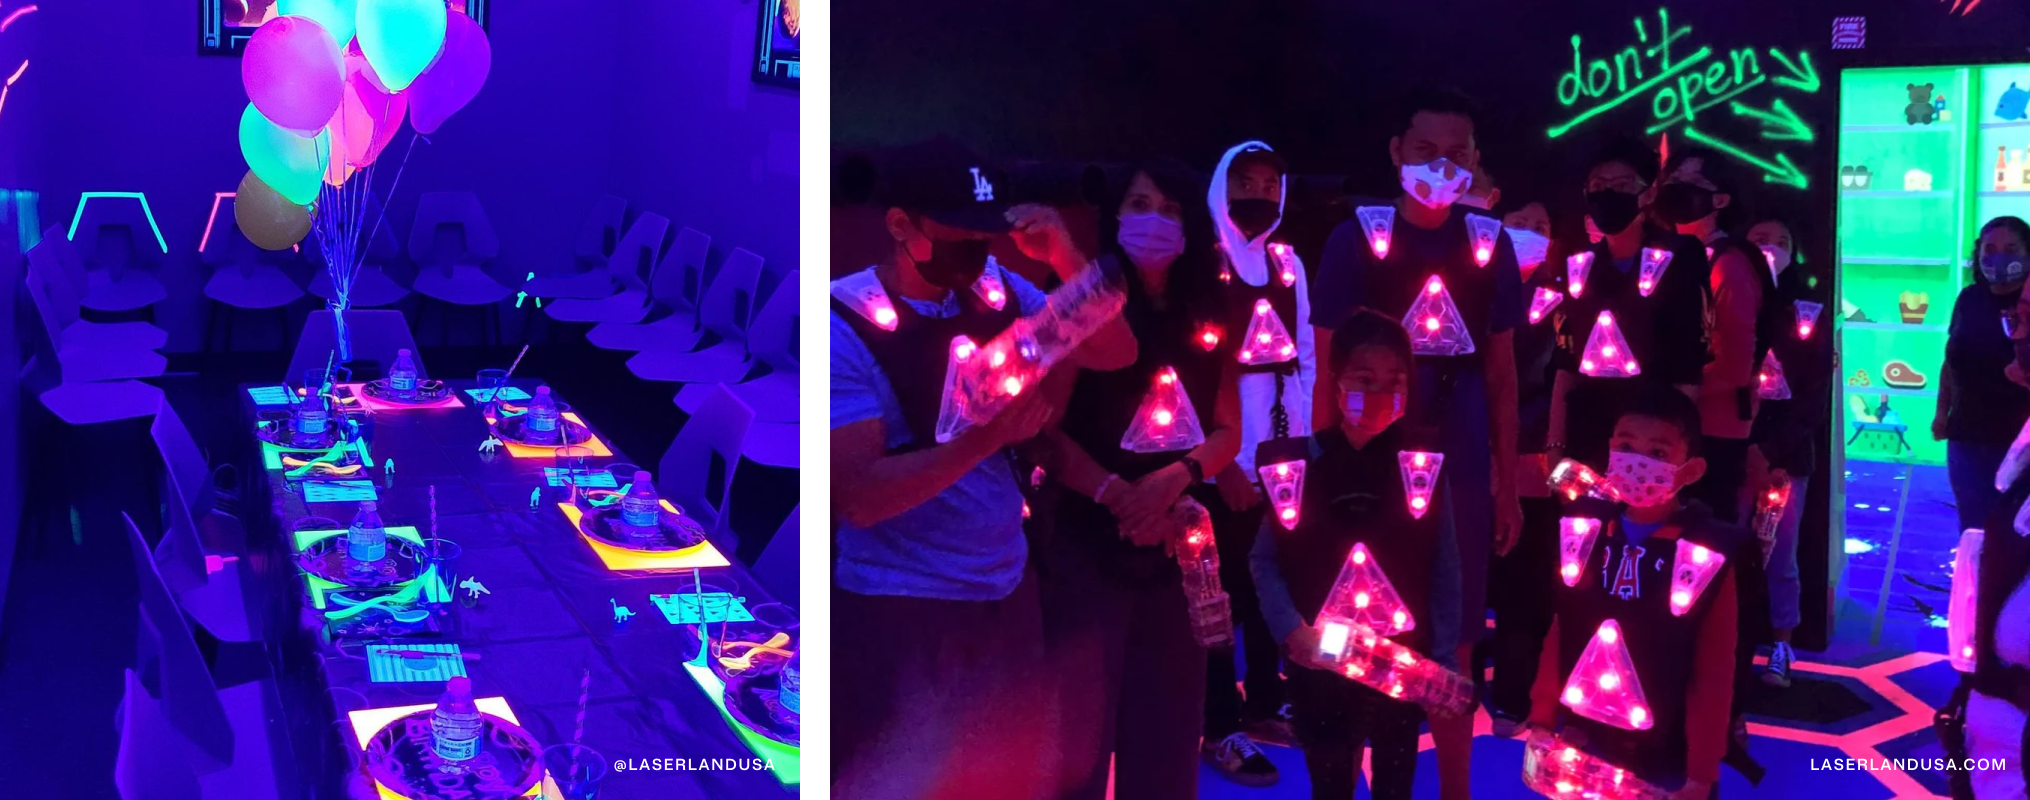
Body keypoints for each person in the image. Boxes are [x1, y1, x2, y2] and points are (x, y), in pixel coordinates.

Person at [828, 137, 1136, 800]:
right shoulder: (843, 323)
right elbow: (858, 498)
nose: (976, 247)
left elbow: (1115, 350)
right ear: (901, 226)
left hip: (1004, 590)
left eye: (984, 232)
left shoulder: (998, 289)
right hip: (899, 604)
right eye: (958, 231)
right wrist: (983, 438)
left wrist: (1065, 260)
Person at [1307, 91, 1522, 793]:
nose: (1441, 166)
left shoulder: (1490, 245)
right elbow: (1326, 361)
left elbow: (1501, 374)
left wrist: (1507, 480)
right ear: (1396, 151)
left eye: (1457, 155)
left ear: (1476, 161)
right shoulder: (1354, 240)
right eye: (1425, 150)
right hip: (1366, 454)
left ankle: (1454, 789)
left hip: (1458, 457)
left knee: (1455, 628)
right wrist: (1319, 466)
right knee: (1363, 622)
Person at [1036, 159, 1261, 797]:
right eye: (1138, 205)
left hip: (1173, 547)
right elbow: (1042, 431)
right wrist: (1116, 495)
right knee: (1076, 738)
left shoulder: (1212, 307)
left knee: (1166, 738)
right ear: (1114, 218)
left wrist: (1173, 482)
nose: (1152, 221)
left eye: (1168, 208)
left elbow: (1226, 430)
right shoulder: (1082, 303)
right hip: (1083, 540)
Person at [1249, 309, 1462, 800]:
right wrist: (1290, 630)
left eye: (1396, 381)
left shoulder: (1422, 467)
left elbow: (1445, 565)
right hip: (1320, 664)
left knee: (1394, 781)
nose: (1382, 393)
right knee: (1328, 779)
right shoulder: (1296, 466)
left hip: (1402, 662)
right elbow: (1264, 559)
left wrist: (1444, 658)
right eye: (1365, 379)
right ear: (1337, 380)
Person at [1527, 387, 1741, 800]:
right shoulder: (1585, 531)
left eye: (1658, 454)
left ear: (1691, 470)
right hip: (1583, 734)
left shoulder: (1703, 552)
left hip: (1663, 754)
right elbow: (1562, 628)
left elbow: (1714, 668)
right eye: (1626, 446)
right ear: (1609, 451)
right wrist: (1541, 718)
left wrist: (1700, 772)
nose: (1638, 463)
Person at [1202, 139, 1315, 752]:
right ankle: (1219, 720)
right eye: (1245, 181)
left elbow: (1309, 362)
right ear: (1223, 184)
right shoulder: (1205, 266)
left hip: (1283, 463)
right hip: (1225, 465)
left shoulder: (1289, 266)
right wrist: (1222, 469)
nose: (1259, 194)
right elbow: (1190, 378)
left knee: (1273, 583)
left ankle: (1269, 703)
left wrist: (1304, 453)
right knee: (1217, 595)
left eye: (1270, 184)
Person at [1546, 136, 1709, 471]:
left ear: (1648, 192)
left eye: (1621, 185)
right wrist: (1555, 445)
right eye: (1598, 185)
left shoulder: (1680, 255)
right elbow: (1565, 362)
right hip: (1588, 434)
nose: (1608, 194)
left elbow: (1690, 361)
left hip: (1651, 437)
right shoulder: (1578, 263)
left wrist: (1675, 450)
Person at [1653, 148, 1775, 524]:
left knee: (1703, 536)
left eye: (1691, 185)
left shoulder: (1728, 264)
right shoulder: (1675, 256)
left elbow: (1735, 364)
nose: (1676, 191)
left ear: (1720, 200)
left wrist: (1670, 396)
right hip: (1678, 427)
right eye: (1671, 183)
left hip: (1713, 432)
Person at [1742, 217, 1830, 688]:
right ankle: (1730, 640)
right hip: (1732, 449)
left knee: (1781, 556)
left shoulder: (1806, 313)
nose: (1770, 249)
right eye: (1760, 240)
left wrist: (1772, 452)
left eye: (1781, 241)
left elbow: (1813, 397)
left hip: (1788, 458)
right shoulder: (1732, 298)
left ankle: (1781, 644)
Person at [1487, 197, 1563, 737]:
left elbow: (1558, 380)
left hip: (1531, 464)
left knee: (1524, 586)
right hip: (1470, 459)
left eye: (1540, 227)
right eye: (1519, 224)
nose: (1530, 234)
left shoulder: (1561, 302)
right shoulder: (1475, 287)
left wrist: (1511, 428)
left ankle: (1513, 695)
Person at [1937, 215, 2030, 532]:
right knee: (1974, 529)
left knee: (2015, 535)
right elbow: (1951, 359)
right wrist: (1941, 412)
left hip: (2020, 443)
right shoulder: (1969, 299)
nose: (1998, 255)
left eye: (2010, 247)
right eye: (1989, 248)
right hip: (1967, 436)